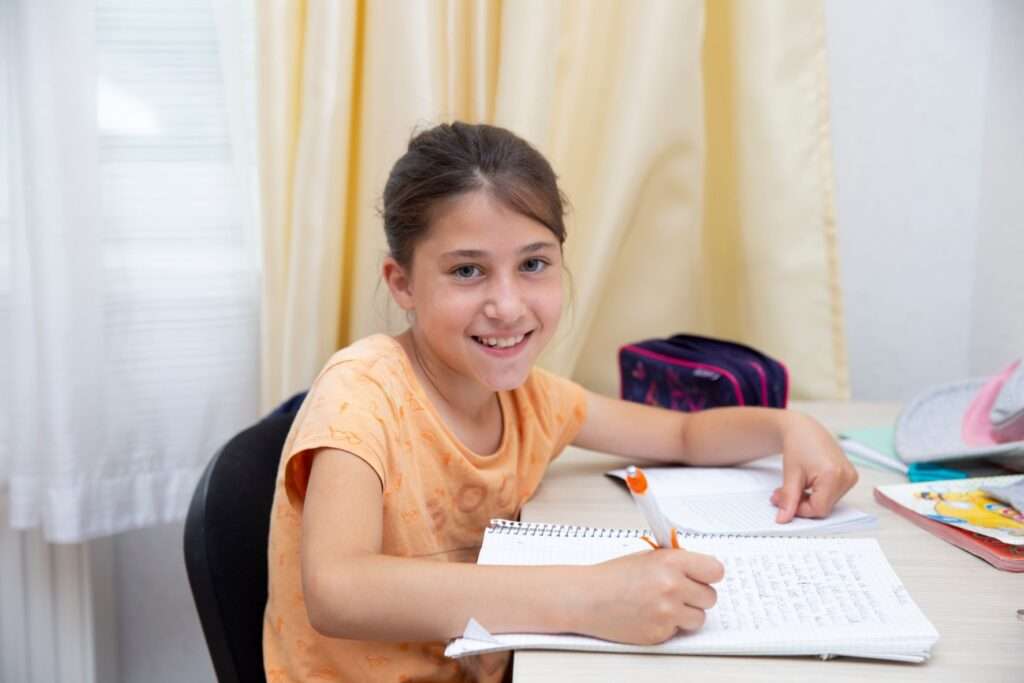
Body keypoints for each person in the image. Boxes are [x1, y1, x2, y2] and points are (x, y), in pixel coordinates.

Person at [262, 122, 858, 683]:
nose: (508, 304)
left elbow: (682, 437)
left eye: (533, 265)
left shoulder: (529, 399)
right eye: (468, 270)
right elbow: (337, 589)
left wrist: (790, 427)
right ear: (402, 283)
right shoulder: (361, 392)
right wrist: (590, 597)